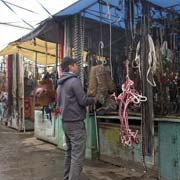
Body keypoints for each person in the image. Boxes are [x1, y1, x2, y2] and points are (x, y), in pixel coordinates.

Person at [56, 57, 95, 180]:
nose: (78, 67)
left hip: (65, 122)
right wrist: (95, 99)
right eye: (76, 65)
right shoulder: (74, 81)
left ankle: (67, 177)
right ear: (71, 67)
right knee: (77, 156)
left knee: (69, 153)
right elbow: (83, 101)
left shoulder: (60, 84)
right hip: (75, 124)